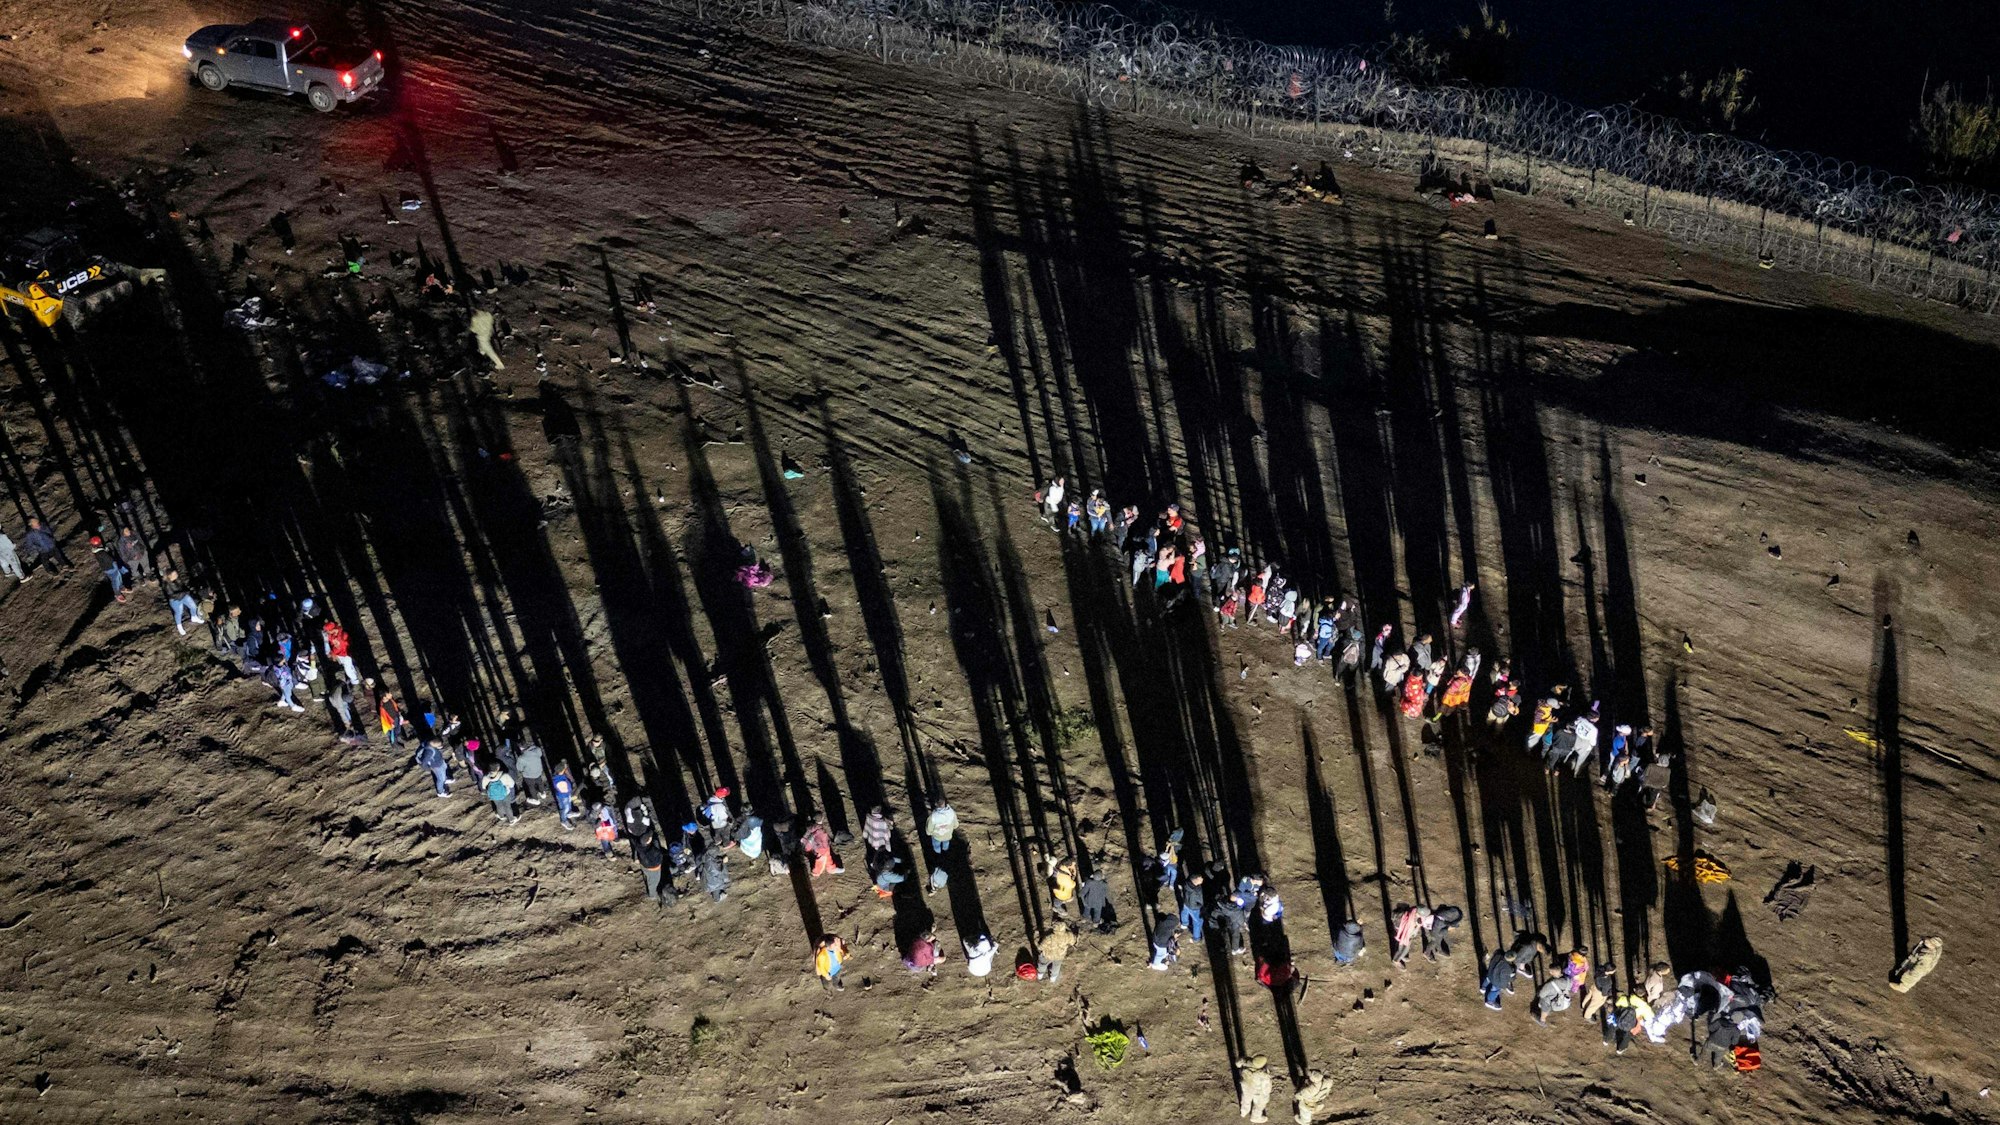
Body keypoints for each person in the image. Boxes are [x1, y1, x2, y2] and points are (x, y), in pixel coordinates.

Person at [161, 568, 203, 635]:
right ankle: (179, 626)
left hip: (183, 595)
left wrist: (187, 590)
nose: (176, 574)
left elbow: (183, 586)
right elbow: (172, 595)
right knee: (179, 612)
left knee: (193, 606)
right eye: (174, 574)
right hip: (175, 600)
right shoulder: (166, 585)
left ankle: (194, 617)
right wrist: (185, 592)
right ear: (170, 576)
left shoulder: (178, 579)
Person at [90, 536, 129, 603]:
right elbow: (110, 560)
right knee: (115, 581)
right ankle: (117, 594)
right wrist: (110, 554)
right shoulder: (102, 553)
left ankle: (121, 587)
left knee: (119, 576)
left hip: (110, 567)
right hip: (110, 568)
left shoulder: (97, 551)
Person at [1236, 1055, 1274, 1123]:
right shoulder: (1263, 1075)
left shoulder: (1246, 1061)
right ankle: (1255, 1117)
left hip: (1246, 1086)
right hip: (1257, 1091)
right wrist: (1266, 1096)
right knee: (1259, 1104)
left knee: (1246, 1100)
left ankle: (1243, 1112)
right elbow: (1266, 1088)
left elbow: (1238, 1063)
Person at [635, 831, 667, 901]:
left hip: (644, 866)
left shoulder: (639, 845)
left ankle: (647, 879)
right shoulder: (653, 851)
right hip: (653, 869)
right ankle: (652, 895)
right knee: (653, 882)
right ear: (648, 841)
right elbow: (660, 858)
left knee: (648, 876)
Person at [1178, 874, 1207, 941]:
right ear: (1195, 880)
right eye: (1200, 878)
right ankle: (1196, 938)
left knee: (1184, 912)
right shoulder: (1197, 890)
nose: (1202, 879)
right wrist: (1201, 906)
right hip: (1194, 907)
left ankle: (1184, 923)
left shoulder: (1187, 883)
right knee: (1197, 922)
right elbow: (1200, 900)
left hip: (1186, 902)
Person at [550, 764, 577, 830]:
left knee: (567, 804)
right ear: (561, 771)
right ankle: (564, 820)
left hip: (563, 795)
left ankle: (568, 812)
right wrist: (568, 790)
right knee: (565, 808)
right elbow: (564, 789)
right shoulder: (559, 780)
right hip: (564, 795)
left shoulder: (559, 776)